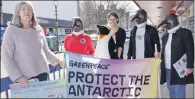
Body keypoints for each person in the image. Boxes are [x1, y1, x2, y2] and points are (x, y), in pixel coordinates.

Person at [1, 1, 64, 85]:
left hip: (42, 74)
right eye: (23, 9)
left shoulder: (38, 29)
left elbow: (46, 51)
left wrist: (57, 60)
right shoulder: (11, 30)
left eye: (29, 9)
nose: (27, 11)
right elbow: (6, 56)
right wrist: (18, 77)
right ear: (18, 12)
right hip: (25, 78)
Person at [157, 10, 194, 98]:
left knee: (179, 93)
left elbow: (190, 50)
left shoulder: (185, 33)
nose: (165, 26)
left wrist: (189, 66)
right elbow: (164, 51)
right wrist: (159, 55)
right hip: (167, 68)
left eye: (166, 24)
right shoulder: (165, 36)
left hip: (180, 68)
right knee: (171, 91)